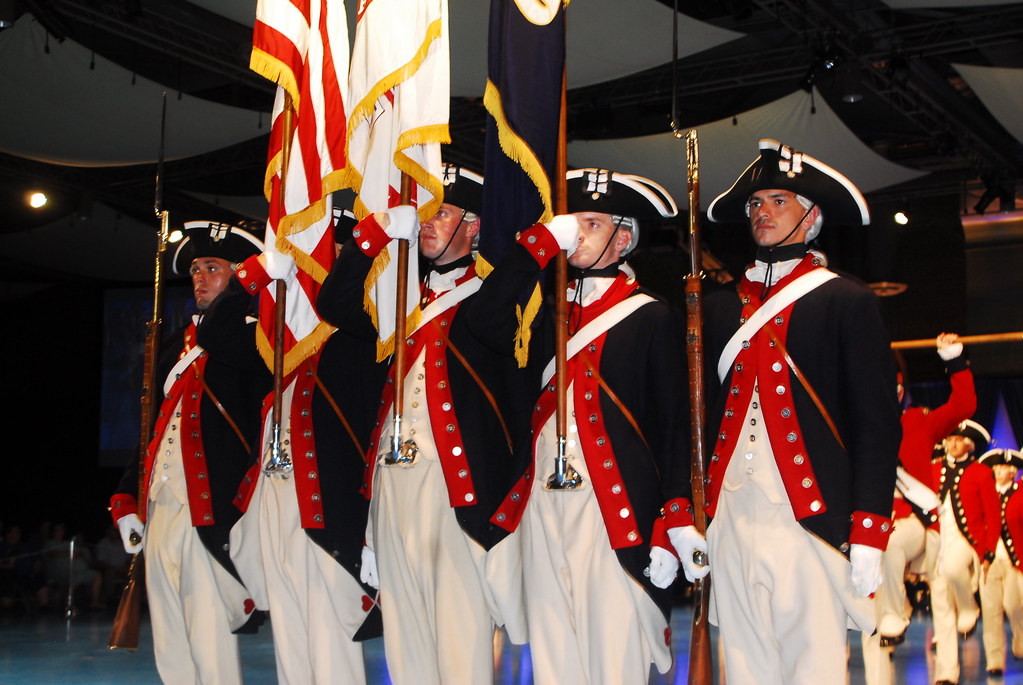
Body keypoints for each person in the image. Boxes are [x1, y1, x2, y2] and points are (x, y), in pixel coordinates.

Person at [669, 139, 902, 685]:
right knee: (744, 668)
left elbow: (875, 425)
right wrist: (681, 509)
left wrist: (869, 525)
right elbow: (691, 421)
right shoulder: (716, 308)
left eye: (779, 200)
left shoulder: (846, 300)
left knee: (813, 668)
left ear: (812, 217)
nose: (762, 212)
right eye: (755, 203)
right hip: (730, 515)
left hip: (809, 518)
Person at [469, 168, 686, 684]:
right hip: (542, 504)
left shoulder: (651, 316)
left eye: (592, 224)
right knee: (554, 660)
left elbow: (675, 428)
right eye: (574, 224)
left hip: (613, 509)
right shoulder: (543, 314)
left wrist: (672, 523)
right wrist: (538, 246)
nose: (578, 235)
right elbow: (482, 319)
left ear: (623, 238)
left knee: (612, 659)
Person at [316, 166, 529, 685]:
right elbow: (335, 305)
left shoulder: (492, 301)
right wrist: (374, 234)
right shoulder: (399, 298)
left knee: (459, 641)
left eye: (443, 213)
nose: (428, 223)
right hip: (392, 484)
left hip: (456, 488)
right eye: (425, 213)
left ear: (474, 226)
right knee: (405, 640)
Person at [229, 208, 387, 684]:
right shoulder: (284, 338)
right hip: (276, 503)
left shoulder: (365, 330)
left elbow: (341, 301)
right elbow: (217, 333)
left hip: (327, 508)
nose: (311, 266)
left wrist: (359, 251)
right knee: (291, 643)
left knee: (329, 641)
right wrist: (256, 273)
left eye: (322, 254)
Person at [109, 220, 269, 685]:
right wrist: (126, 498)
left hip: (213, 504)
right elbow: (152, 429)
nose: (200, 277)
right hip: (161, 503)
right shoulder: (175, 345)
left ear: (240, 274)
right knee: (170, 635)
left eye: (213, 268)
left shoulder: (257, 338)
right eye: (197, 269)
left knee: (209, 635)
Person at [860, 333, 975, 685]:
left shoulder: (918, 422)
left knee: (940, 599)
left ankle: (947, 673)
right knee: (870, 613)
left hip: (920, 527)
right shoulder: (860, 432)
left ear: (898, 390)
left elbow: (964, 405)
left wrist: (953, 358)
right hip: (876, 533)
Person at [978, 447, 1023, 678]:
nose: (998, 470)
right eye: (996, 466)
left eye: (1004, 467)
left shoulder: (1020, 493)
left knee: (1014, 605)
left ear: (1013, 471)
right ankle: (994, 661)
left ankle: (1020, 639)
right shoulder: (984, 493)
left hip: (1014, 560)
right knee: (990, 610)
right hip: (989, 559)